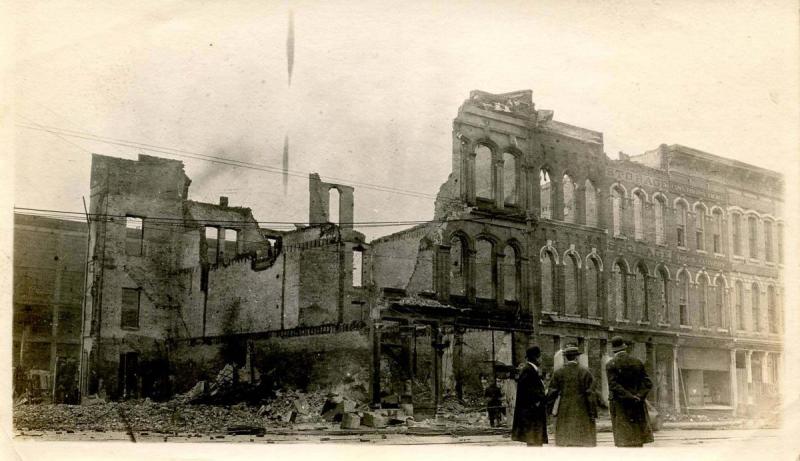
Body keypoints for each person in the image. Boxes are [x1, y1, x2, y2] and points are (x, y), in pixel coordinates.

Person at [606, 336, 654, 447]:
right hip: (637, 405)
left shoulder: (611, 364)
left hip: (620, 406)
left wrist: (629, 396)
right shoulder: (637, 362)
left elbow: (613, 385)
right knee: (637, 439)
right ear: (625, 347)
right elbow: (648, 383)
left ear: (613, 349)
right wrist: (638, 396)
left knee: (624, 440)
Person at [546, 343, 598, 447]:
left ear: (566, 358)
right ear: (577, 357)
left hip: (564, 411)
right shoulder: (585, 372)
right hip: (582, 411)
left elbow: (552, 393)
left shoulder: (559, 373)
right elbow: (590, 394)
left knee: (566, 442)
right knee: (581, 442)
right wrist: (593, 412)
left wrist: (549, 411)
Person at [512, 346, 548, 446]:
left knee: (534, 443)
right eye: (540, 357)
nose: (541, 359)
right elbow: (530, 393)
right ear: (536, 358)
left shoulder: (530, 370)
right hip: (532, 416)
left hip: (532, 415)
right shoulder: (529, 371)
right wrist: (544, 396)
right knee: (534, 444)